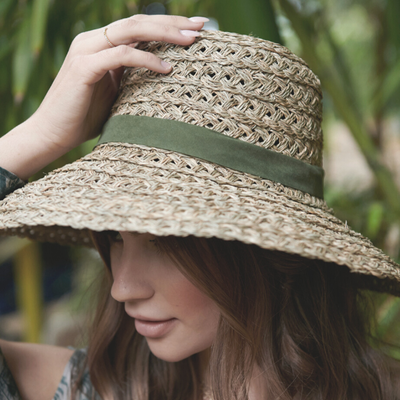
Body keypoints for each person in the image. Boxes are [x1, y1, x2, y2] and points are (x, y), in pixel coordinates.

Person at [0, 13, 399, 400]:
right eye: (115, 237)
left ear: (270, 249)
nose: (122, 288)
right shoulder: (87, 387)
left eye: (162, 242)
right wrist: (37, 137)